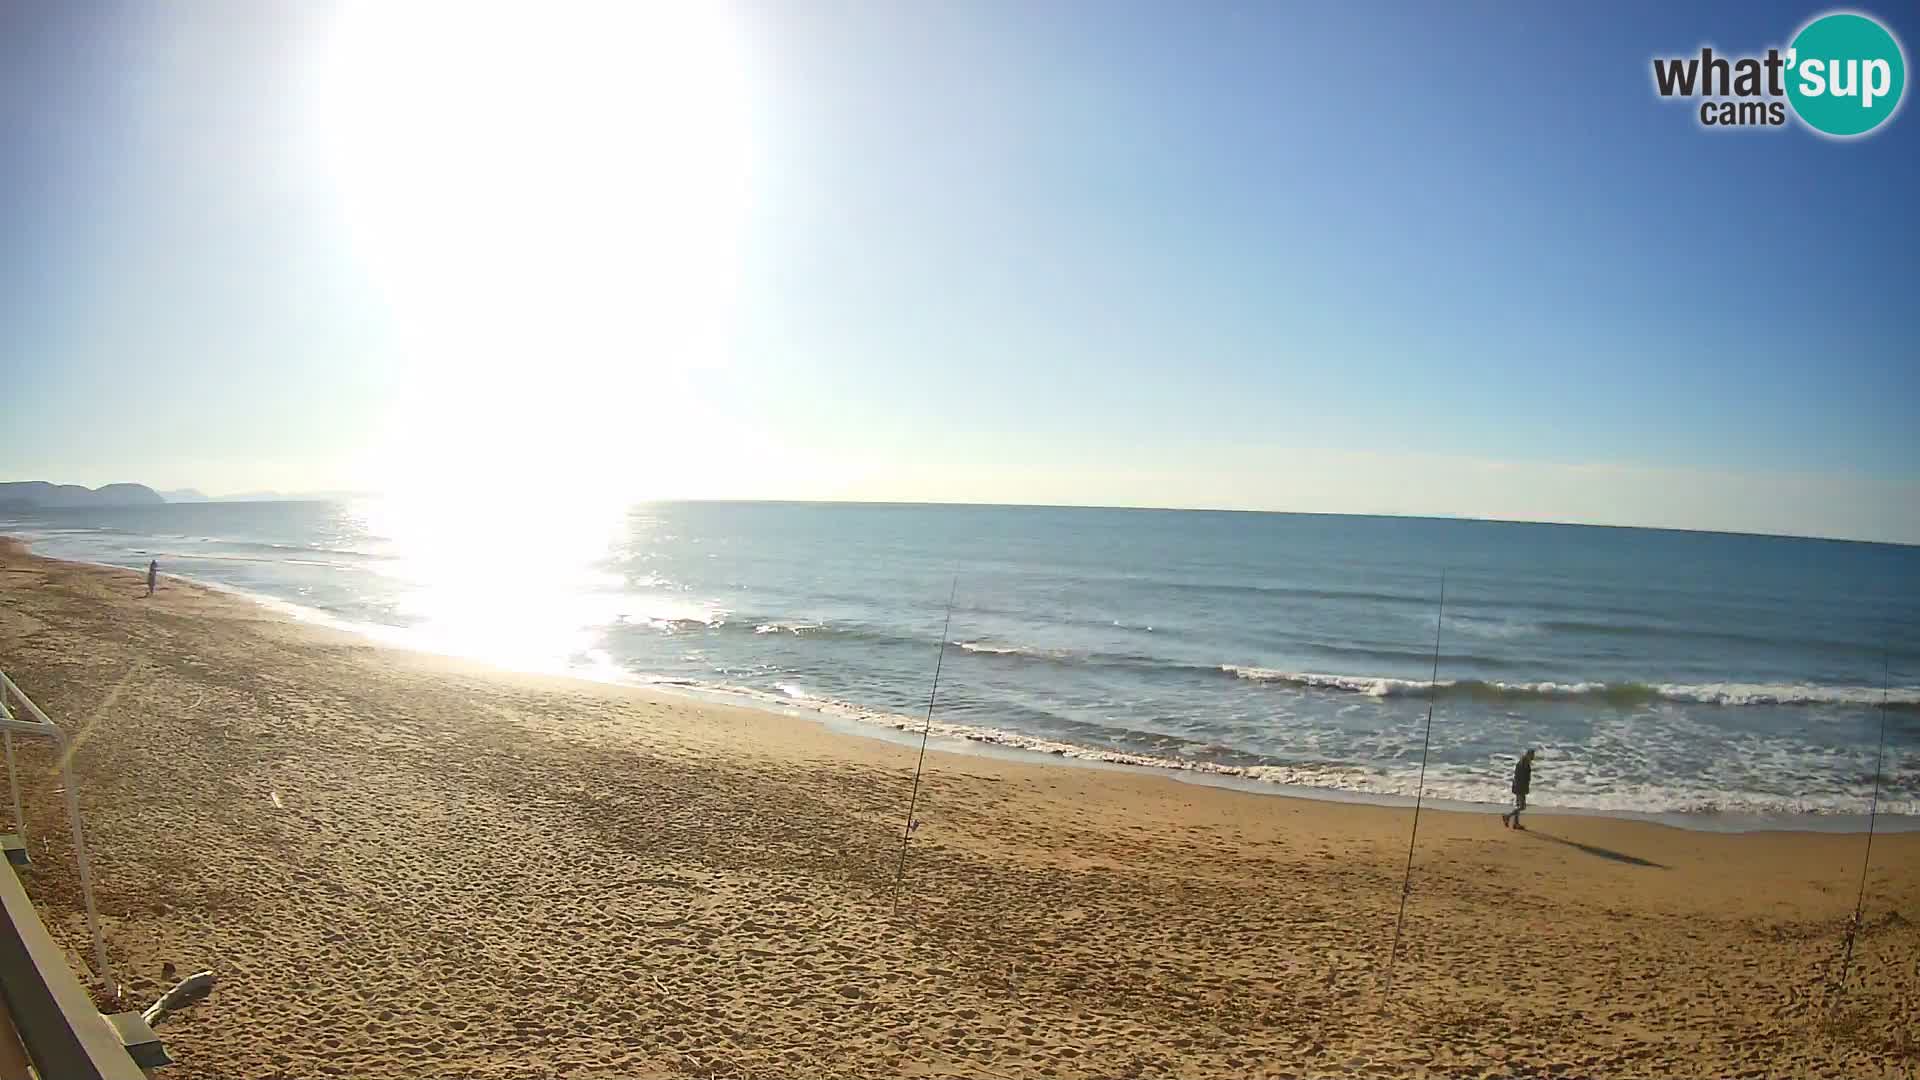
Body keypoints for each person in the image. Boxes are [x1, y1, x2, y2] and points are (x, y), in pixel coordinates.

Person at [1500, 748, 1536, 829]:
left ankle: (1516, 824)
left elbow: (1517, 775)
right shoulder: (1524, 763)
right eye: (1533, 755)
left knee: (1518, 805)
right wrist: (1524, 788)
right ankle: (1507, 816)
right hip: (1520, 787)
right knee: (1522, 806)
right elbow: (1523, 777)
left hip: (1517, 785)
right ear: (1529, 755)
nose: (1534, 757)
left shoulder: (1522, 762)